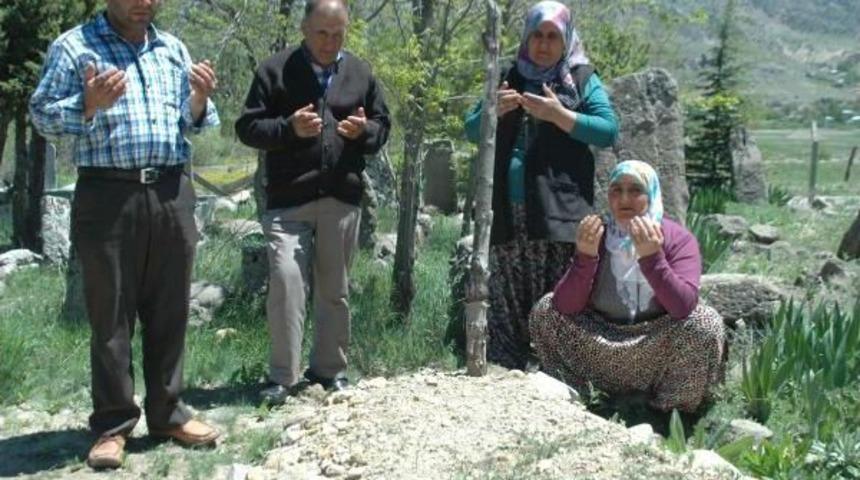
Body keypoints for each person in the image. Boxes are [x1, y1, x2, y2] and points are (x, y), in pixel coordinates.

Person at [29, 0, 221, 470]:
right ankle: (113, 425)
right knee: (111, 314)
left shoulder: (172, 48)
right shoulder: (75, 47)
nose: (144, 3)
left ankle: (168, 412)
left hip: (172, 190)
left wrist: (198, 99)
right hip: (108, 194)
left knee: (170, 307)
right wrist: (87, 104)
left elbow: (193, 119)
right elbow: (40, 114)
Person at [235, 0, 390, 404]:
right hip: (289, 200)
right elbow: (248, 127)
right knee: (286, 282)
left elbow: (382, 125)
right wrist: (289, 128)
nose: (329, 41)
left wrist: (363, 132)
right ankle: (281, 377)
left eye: (338, 33)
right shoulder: (275, 69)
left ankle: (329, 370)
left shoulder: (360, 71)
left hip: (341, 197)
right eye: (322, 32)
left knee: (334, 290)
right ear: (304, 27)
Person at [464, 0, 618, 370]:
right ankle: (506, 367)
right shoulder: (508, 76)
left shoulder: (580, 79)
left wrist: (559, 114)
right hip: (507, 204)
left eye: (553, 36)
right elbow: (471, 128)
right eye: (537, 35)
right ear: (526, 37)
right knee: (507, 289)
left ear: (566, 41)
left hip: (558, 208)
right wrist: (492, 111)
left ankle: (555, 367)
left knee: (554, 288)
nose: (544, 44)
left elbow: (608, 130)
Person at [529, 160, 726, 413]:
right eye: (616, 190)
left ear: (651, 193)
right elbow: (565, 305)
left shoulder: (678, 239)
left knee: (704, 322)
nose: (624, 198)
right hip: (598, 343)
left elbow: (683, 307)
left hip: (655, 344)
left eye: (635, 190)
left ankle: (669, 410)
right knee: (546, 309)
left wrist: (652, 258)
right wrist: (586, 258)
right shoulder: (597, 234)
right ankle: (582, 394)